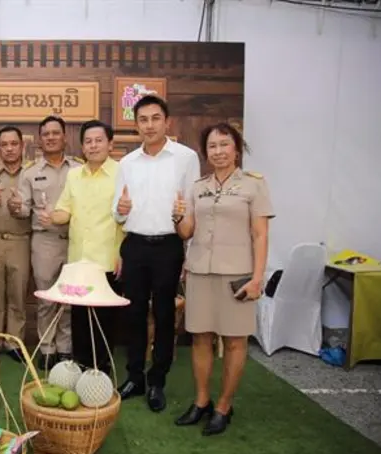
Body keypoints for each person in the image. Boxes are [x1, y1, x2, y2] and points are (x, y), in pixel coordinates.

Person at [173, 122, 274, 436]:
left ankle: (224, 406)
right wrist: (178, 216)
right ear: (205, 152)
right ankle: (202, 401)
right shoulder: (198, 186)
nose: (218, 151)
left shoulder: (253, 185)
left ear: (236, 148)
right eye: (212, 146)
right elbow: (187, 233)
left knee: (234, 342)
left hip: (237, 275)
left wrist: (258, 278)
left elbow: (260, 235)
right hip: (200, 271)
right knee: (200, 338)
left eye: (224, 145)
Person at [112, 95, 201, 412]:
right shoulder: (127, 162)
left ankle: (157, 380)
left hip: (168, 246)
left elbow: (191, 207)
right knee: (134, 314)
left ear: (167, 122)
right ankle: (135, 376)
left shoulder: (186, 158)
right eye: (143, 120)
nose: (149, 125)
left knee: (164, 315)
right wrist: (120, 210)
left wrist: (188, 252)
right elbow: (117, 211)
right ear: (136, 125)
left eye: (154, 118)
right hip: (134, 245)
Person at [45, 119, 124, 373]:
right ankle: (81, 365)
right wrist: (51, 215)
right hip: (78, 260)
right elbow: (63, 211)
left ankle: (101, 369)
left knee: (104, 319)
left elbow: (128, 218)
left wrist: (122, 252)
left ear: (110, 144)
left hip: (107, 259)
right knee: (79, 318)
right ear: (82, 146)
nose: (93, 146)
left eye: (98, 140)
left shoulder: (123, 173)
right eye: (88, 141)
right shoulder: (74, 175)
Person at [8, 115, 82, 370]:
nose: (50, 137)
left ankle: (65, 348)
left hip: (75, 241)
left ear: (64, 137)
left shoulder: (79, 169)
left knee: (70, 298)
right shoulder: (30, 172)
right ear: (40, 140)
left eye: (55, 133)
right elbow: (22, 208)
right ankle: (47, 347)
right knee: (47, 299)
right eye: (46, 134)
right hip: (45, 242)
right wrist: (15, 206)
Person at [0, 126, 31, 363]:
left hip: (21, 240)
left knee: (17, 294)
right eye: (4, 144)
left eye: (14, 143)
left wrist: (23, 208)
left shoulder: (32, 173)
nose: (10, 148)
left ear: (22, 146)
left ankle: (14, 342)